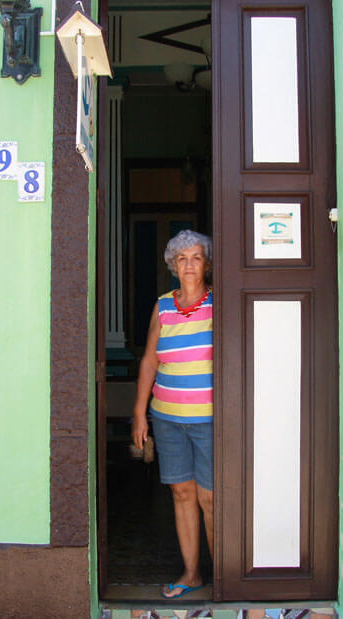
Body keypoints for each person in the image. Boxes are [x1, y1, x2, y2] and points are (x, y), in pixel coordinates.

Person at [132, 229, 213, 600]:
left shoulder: (218, 303)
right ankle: (192, 574)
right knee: (182, 493)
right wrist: (139, 413)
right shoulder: (164, 305)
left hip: (209, 419)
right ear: (173, 266)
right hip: (166, 418)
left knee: (210, 498)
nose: (189, 265)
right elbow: (150, 359)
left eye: (196, 257)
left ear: (206, 264)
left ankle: (225, 575)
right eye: (182, 259)